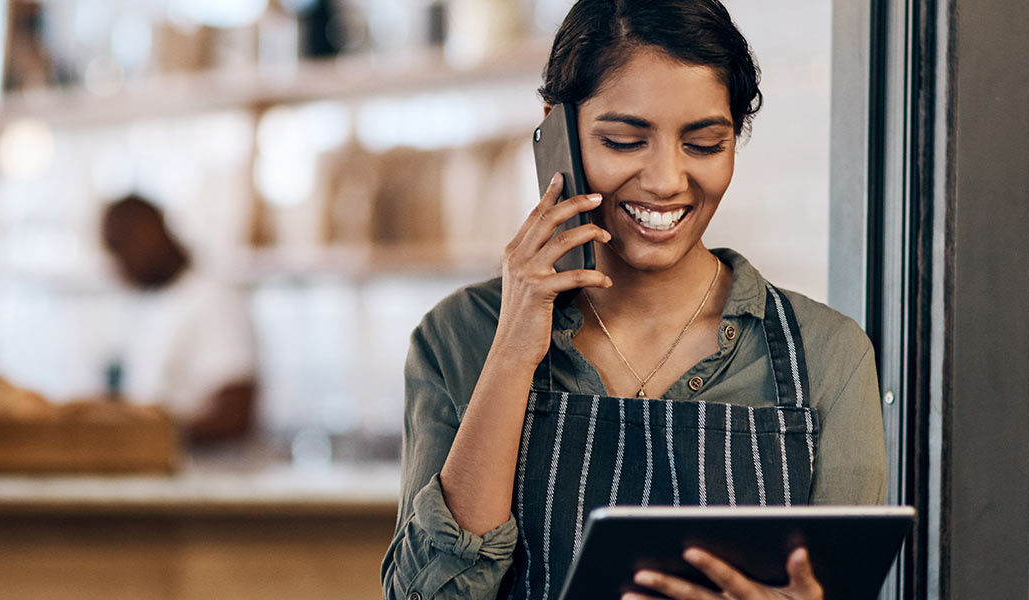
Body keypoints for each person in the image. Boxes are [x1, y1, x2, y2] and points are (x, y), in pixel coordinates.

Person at [380, 1, 887, 599]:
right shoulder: (457, 337)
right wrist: (513, 350)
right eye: (624, 141)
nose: (667, 179)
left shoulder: (827, 357)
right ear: (557, 130)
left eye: (703, 144)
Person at [100, 193, 259, 443]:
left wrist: (150, 436)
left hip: (205, 476)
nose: (118, 268)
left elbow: (234, 412)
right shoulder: (150, 305)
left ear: (148, 233)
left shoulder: (213, 299)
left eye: (119, 249)